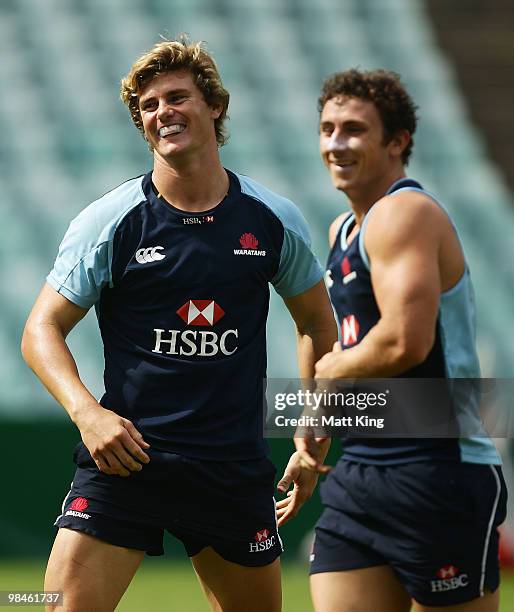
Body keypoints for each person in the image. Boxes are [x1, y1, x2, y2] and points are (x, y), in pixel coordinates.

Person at [21, 38, 337, 612]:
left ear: (214, 106)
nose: (162, 111)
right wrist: (88, 413)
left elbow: (318, 321)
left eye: (176, 96)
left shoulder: (272, 220)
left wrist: (309, 428)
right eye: (148, 105)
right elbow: (40, 329)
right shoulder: (109, 221)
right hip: (128, 461)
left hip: (231, 469)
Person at [277, 69, 508, 611]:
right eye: (327, 128)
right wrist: (316, 418)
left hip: (437, 469)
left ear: (398, 142)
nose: (336, 143)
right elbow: (331, 335)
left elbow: (405, 342)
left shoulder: (406, 212)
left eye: (354, 129)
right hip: (361, 471)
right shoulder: (342, 230)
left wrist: (330, 374)